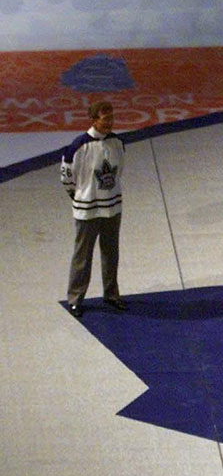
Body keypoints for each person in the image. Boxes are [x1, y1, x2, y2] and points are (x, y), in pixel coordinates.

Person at [61, 100, 127, 318]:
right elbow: (67, 178)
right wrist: (79, 197)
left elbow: (119, 172)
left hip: (112, 208)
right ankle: (75, 298)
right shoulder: (78, 146)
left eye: (111, 118)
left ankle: (111, 293)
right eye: (105, 119)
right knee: (83, 255)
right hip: (87, 210)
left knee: (111, 253)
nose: (109, 123)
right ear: (94, 119)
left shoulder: (117, 142)